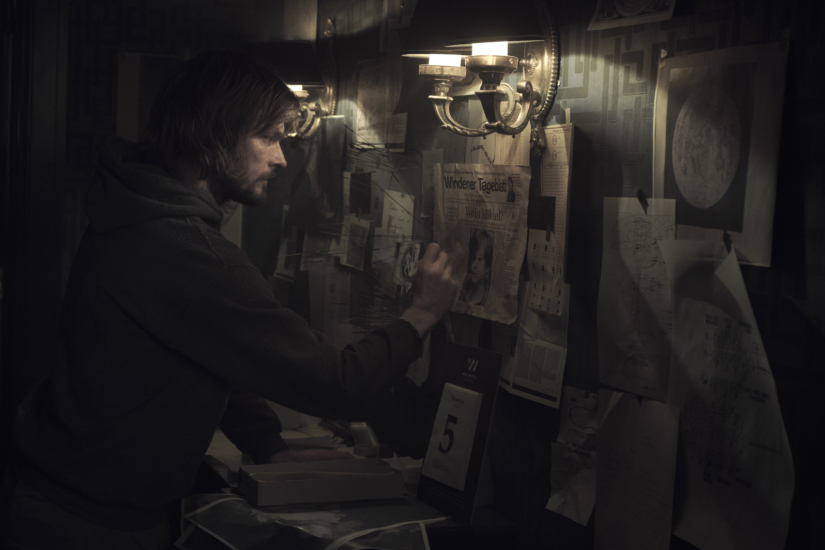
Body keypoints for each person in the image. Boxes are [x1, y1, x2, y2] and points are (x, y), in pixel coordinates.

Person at [2, 50, 456, 550]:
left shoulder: (134, 208)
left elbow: (206, 350)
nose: (281, 158)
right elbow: (338, 385)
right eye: (269, 137)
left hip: (67, 502)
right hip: (82, 526)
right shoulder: (187, 249)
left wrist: (266, 443)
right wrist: (421, 313)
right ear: (213, 137)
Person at [458, 229, 493, 306]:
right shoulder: (462, 292)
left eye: (480, 259)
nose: (474, 265)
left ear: (487, 267)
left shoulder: (488, 299)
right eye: (473, 258)